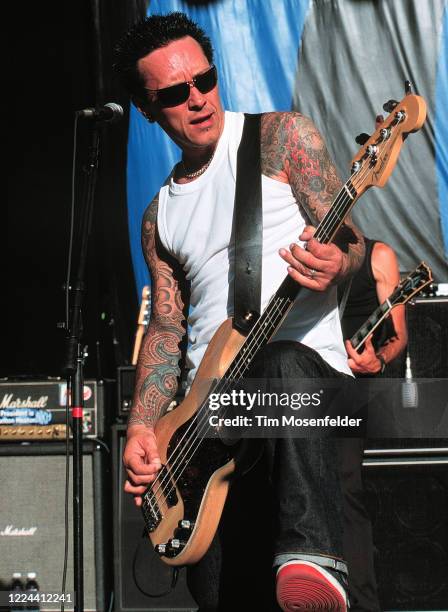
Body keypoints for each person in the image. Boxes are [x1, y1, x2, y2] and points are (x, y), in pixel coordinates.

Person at [114, 12, 366, 611]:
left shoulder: (280, 139)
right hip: (210, 427)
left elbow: (349, 240)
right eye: (175, 93)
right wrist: (145, 426)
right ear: (149, 111)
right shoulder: (160, 215)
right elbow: (168, 328)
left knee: (282, 360)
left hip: (304, 397)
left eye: (205, 80)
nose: (198, 100)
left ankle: (312, 556)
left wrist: (339, 264)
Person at [338, 237, 408, 611]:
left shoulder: (377, 256)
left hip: (346, 391)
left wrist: (377, 360)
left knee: (343, 487)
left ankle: (363, 604)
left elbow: (398, 337)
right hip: (290, 387)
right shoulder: (288, 253)